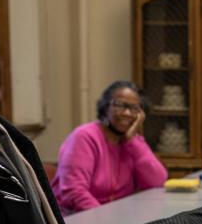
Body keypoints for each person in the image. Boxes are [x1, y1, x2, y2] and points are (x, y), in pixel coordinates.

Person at [52, 80, 167, 215]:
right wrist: (104, 219)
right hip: (76, 219)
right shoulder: (84, 136)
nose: (127, 113)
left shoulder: (133, 143)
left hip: (117, 219)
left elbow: (157, 181)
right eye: (119, 105)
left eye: (134, 108)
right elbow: (74, 191)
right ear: (105, 107)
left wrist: (132, 141)